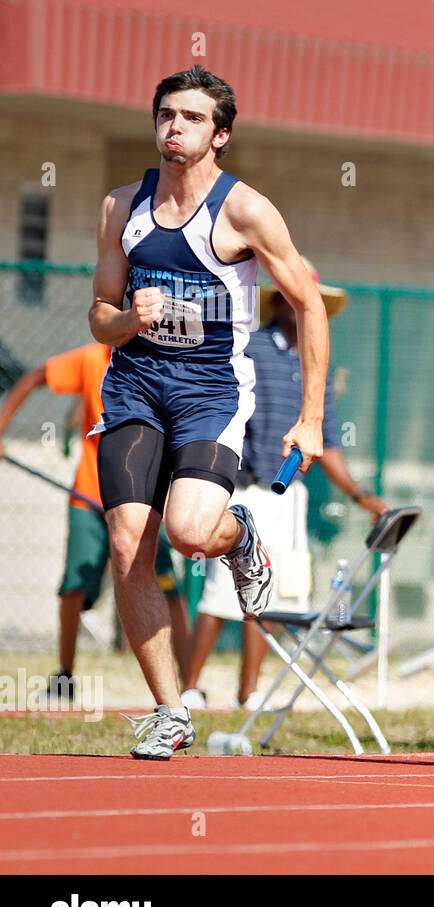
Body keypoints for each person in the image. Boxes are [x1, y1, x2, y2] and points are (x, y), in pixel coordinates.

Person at [88, 66, 329, 759]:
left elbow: (309, 303)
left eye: (192, 118)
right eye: (166, 114)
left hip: (211, 390)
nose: (174, 127)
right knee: (131, 542)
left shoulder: (245, 211)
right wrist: (128, 316)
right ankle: (170, 710)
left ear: (220, 134)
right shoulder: (119, 208)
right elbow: (100, 320)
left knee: (191, 533)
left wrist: (310, 416)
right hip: (135, 386)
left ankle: (238, 534)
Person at [180, 260, 388, 710]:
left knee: (269, 589)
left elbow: (326, 439)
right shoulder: (250, 348)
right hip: (246, 487)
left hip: (289, 495)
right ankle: (189, 687)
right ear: (283, 302)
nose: (308, 309)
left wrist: (359, 494)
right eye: (299, 299)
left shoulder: (317, 366)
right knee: (220, 590)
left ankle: (250, 691)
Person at [0, 343, 188, 697]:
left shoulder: (164, 361)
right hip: (91, 494)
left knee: (168, 587)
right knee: (73, 585)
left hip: (144, 500)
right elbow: (34, 377)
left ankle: (190, 685)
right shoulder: (92, 358)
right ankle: (65, 677)